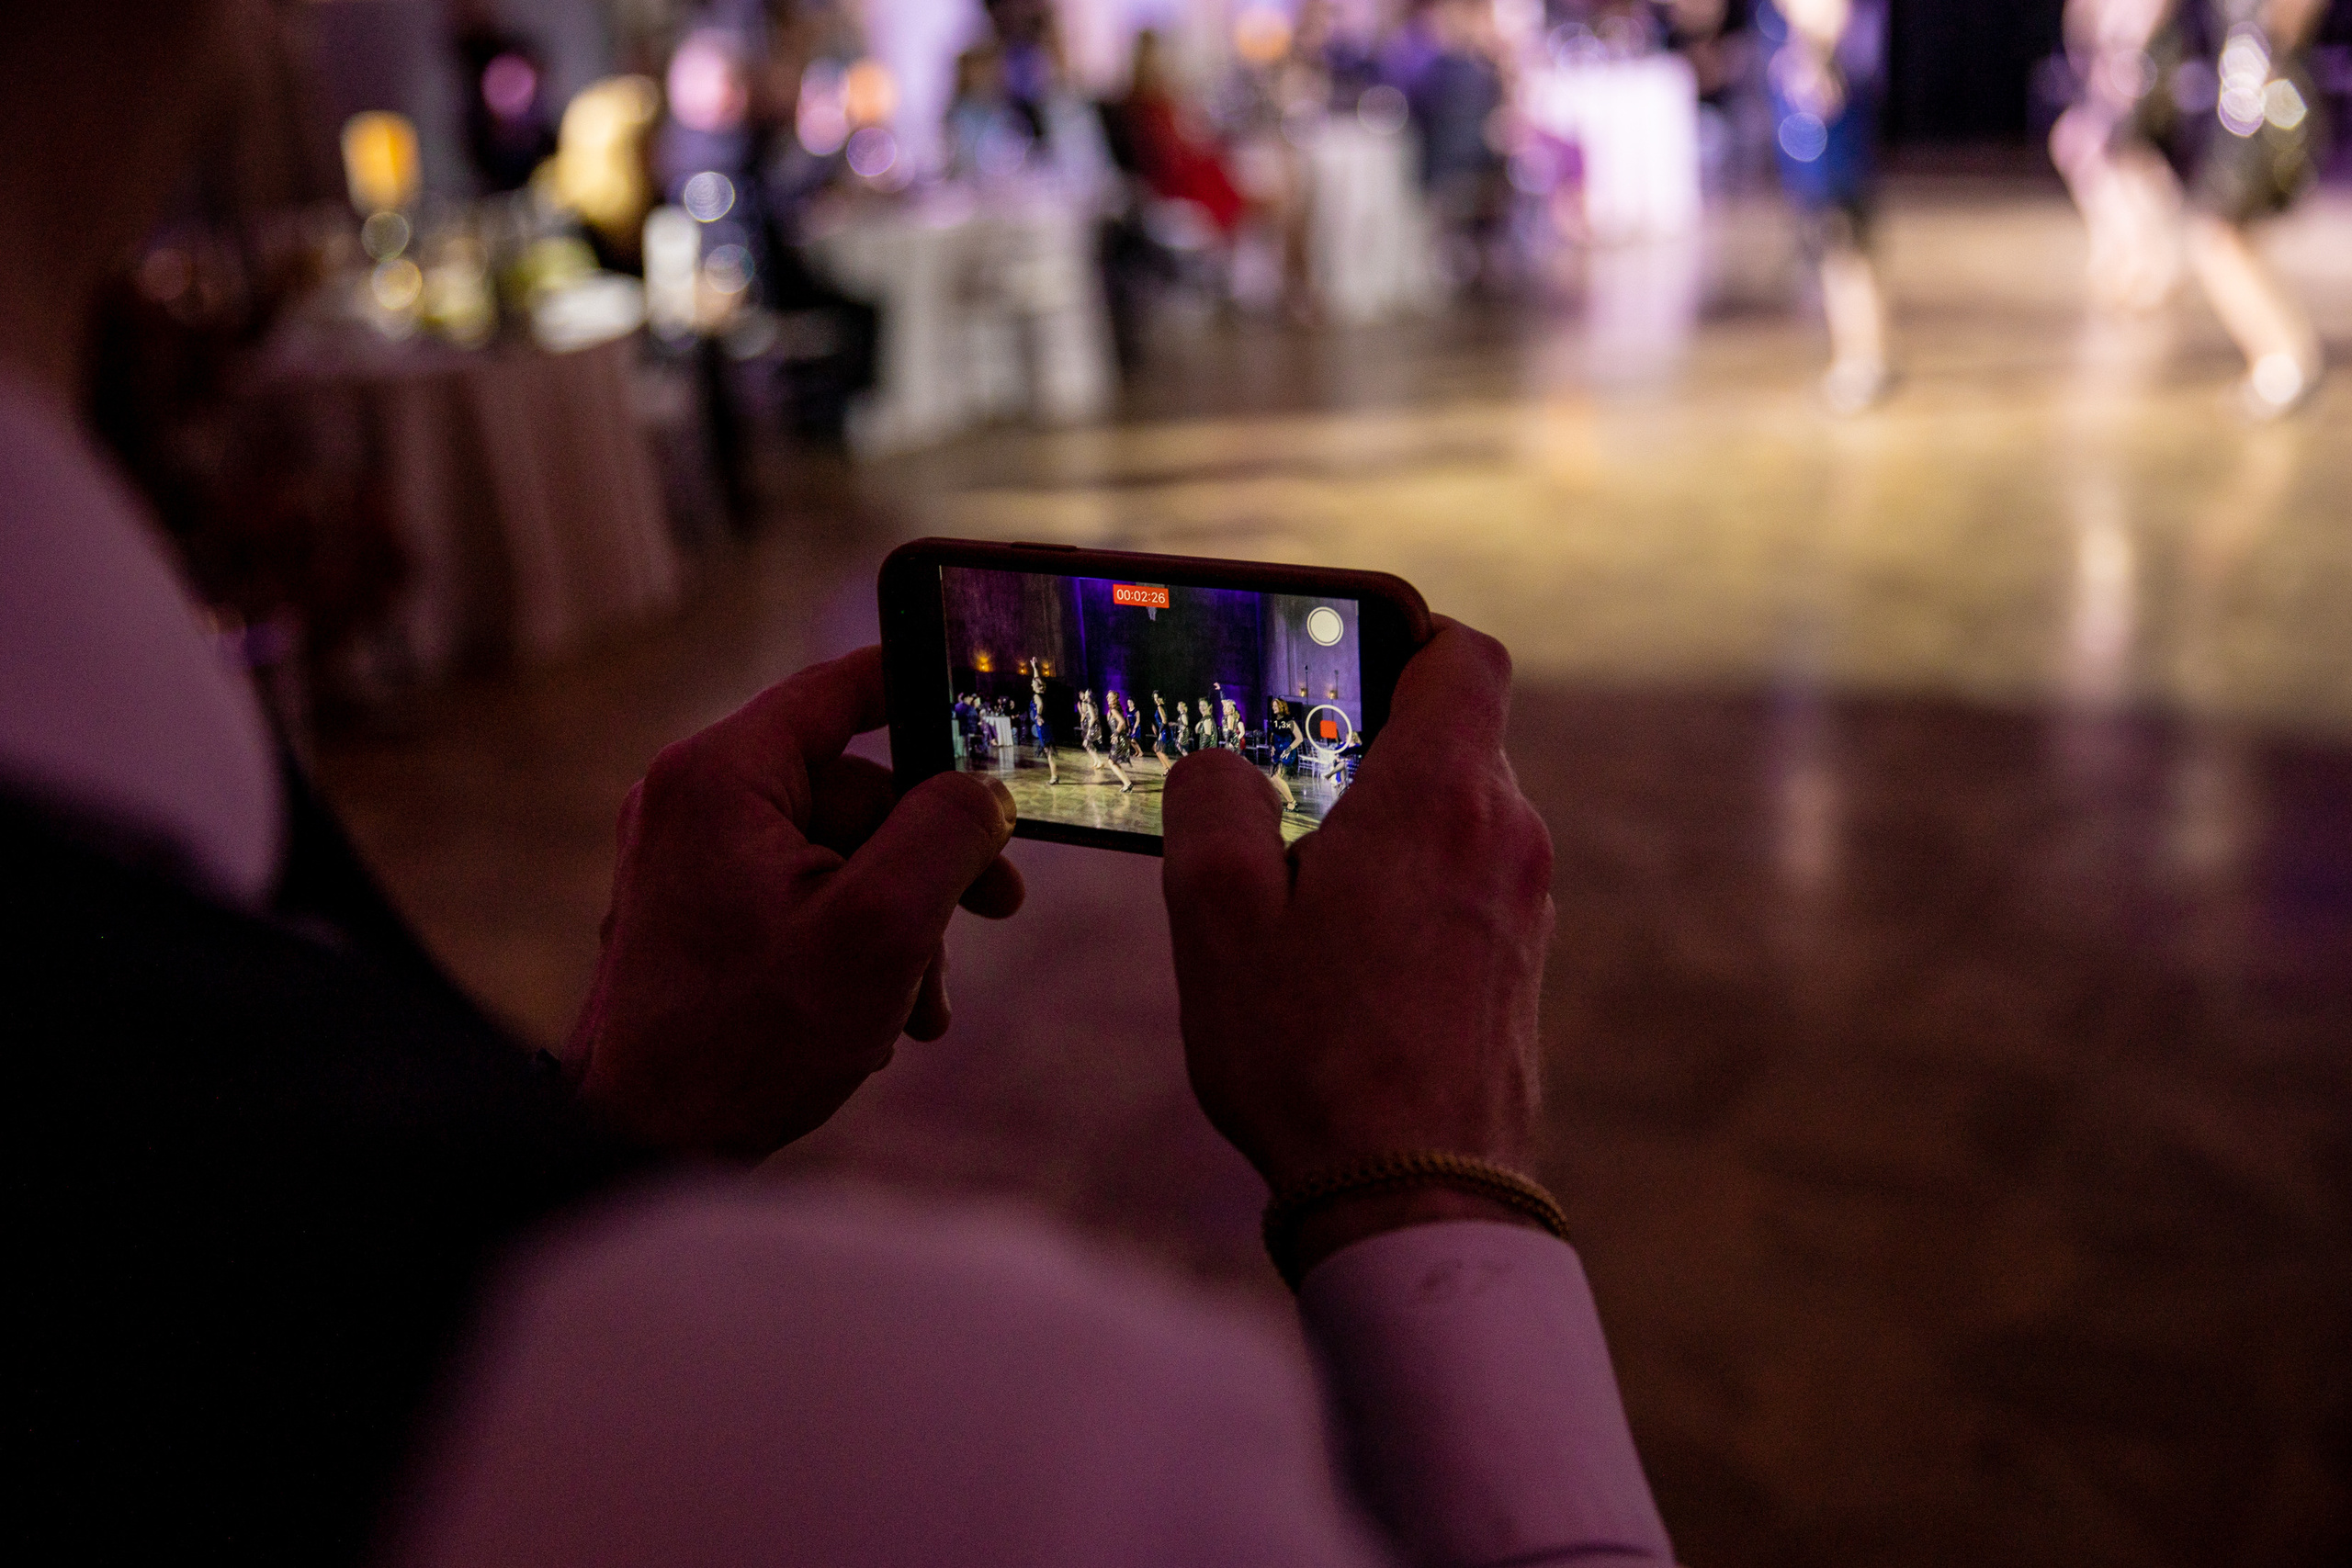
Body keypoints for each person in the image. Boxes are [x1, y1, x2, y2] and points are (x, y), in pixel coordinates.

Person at [2182, 0, 2328, 417]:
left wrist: (2273, 44)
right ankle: (2289, 358)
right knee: (2232, 237)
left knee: (2214, 237)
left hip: (2263, 97)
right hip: (2255, 96)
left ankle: (2284, 364)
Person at [1758, 0, 1896, 412]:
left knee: (1840, 240)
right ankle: (1860, 354)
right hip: (1813, 117)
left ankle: (1862, 361)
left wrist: (1814, 61)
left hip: (1824, 117)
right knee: (1836, 242)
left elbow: (1826, 18)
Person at [1028, 657, 1060, 784]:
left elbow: (1040, 704)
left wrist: (1039, 715)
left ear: (1037, 685)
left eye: (1033, 682)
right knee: (1049, 752)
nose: (1031, 683)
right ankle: (1054, 776)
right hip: (1046, 724)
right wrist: (1035, 668)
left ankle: (1054, 777)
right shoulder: (1042, 692)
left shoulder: (1037, 695)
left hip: (1043, 725)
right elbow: (1037, 680)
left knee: (1049, 752)